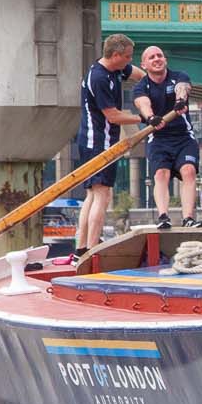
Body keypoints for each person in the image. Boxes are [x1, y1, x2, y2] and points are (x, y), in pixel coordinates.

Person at [73, 33, 145, 262]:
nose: (129, 61)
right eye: (127, 57)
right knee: (102, 195)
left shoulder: (115, 69)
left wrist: (150, 88)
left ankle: (82, 246)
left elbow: (138, 74)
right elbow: (113, 116)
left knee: (93, 195)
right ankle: (92, 248)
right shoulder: (99, 78)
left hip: (96, 141)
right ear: (115, 55)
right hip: (98, 142)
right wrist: (143, 117)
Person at [132, 46, 201, 228]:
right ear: (144, 64)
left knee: (189, 171)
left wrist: (180, 102)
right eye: (152, 57)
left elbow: (182, 88)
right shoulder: (141, 86)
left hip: (183, 136)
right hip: (158, 138)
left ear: (165, 60)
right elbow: (142, 103)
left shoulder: (179, 76)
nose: (157, 59)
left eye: (160, 56)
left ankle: (188, 218)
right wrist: (151, 118)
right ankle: (163, 217)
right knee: (161, 174)